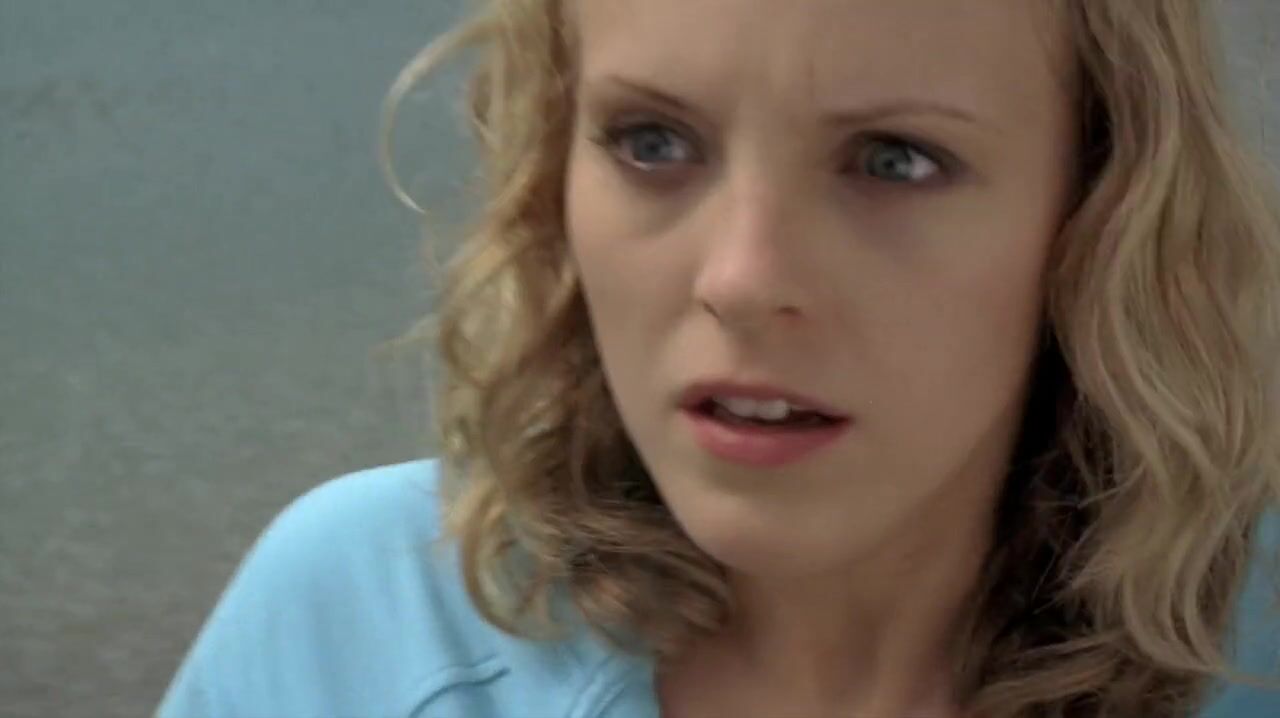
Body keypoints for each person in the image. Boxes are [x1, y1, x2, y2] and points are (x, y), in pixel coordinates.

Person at [158, 0, 1280, 716]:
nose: (741, 278)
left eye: (893, 160)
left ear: (1101, 211)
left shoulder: (1249, 649)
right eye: (652, 142)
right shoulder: (360, 627)